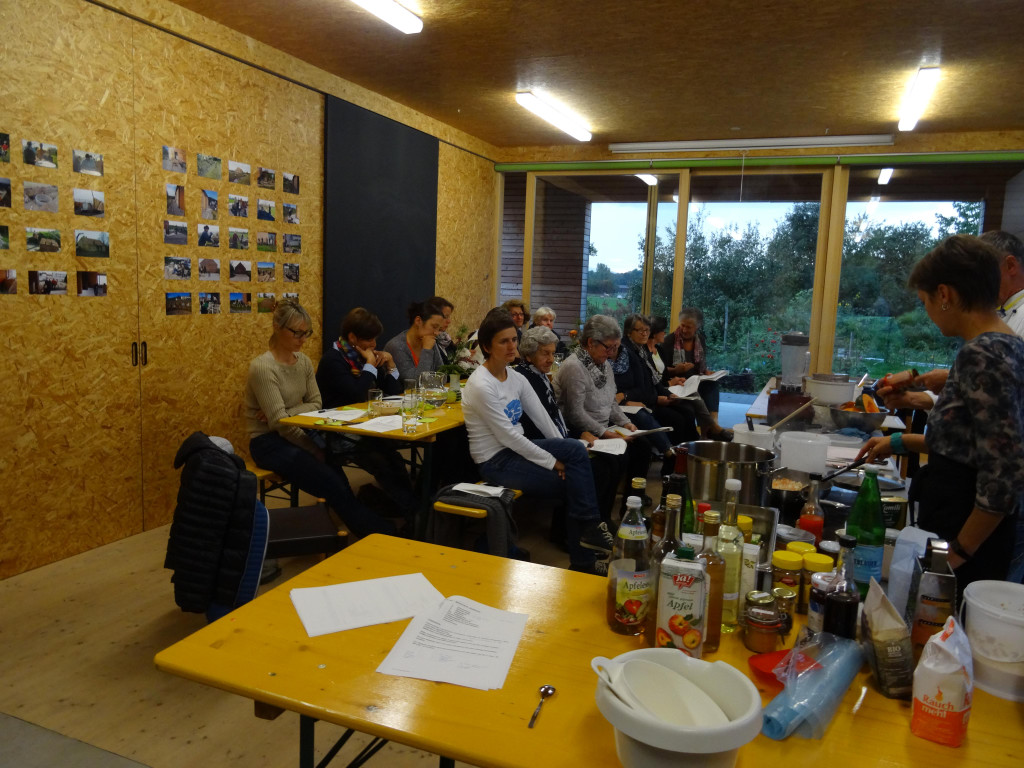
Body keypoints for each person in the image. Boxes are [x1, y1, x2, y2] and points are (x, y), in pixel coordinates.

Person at [857, 235, 1024, 595]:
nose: (929, 314)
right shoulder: (1005, 344)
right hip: (966, 528)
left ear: (944, 294)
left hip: (966, 532)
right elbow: (967, 446)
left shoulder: (982, 354)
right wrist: (898, 441)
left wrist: (958, 551)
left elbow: (1003, 471)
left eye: (925, 301)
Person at [461, 310, 613, 574]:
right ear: (486, 347)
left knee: (575, 450)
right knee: (572, 483)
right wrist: (553, 462)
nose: (512, 346)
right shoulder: (481, 385)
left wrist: (563, 453)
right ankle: (584, 559)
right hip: (495, 460)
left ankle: (589, 531)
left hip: (516, 450)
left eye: (513, 339)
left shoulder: (515, 377)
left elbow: (544, 419)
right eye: (503, 341)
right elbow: (507, 436)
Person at [245, 299, 397, 539]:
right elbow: (278, 424)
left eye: (306, 333)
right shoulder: (263, 368)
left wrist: (289, 410)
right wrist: (313, 447)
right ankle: (382, 533)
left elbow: (317, 404)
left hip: (299, 432)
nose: (303, 339)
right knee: (331, 482)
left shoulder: (303, 362)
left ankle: (369, 527)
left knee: (338, 479)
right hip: (268, 442)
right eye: (296, 333)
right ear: (277, 327)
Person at [515, 325, 623, 525]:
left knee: (612, 461)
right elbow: (534, 428)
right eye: (545, 353)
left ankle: (601, 521)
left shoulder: (539, 375)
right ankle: (574, 528)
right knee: (599, 467)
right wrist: (564, 449)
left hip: (557, 438)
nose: (551, 359)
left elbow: (554, 417)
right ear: (528, 355)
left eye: (552, 353)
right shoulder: (524, 379)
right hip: (537, 444)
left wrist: (579, 433)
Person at [314, 307, 416, 519]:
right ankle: (411, 513)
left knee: (394, 460)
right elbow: (358, 394)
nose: (374, 344)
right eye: (369, 339)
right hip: (341, 433)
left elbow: (393, 394)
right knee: (383, 462)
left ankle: (411, 509)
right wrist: (370, 365)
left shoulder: (361, 358)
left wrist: (390, 365)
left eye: (375, 339)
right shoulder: (333, 360)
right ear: (352, 337)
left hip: (368, 427)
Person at [553, 314, 650, 482]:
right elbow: (575, 413)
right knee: (616, 459)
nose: (612, 354)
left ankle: (633, 496)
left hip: (604, 427)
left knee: (643, 447)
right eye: (609, 348)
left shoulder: (604, 364)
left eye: (615, 348)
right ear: (591, 342)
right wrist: (605, 433)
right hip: (581, 431)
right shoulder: (574, 367)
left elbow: (611, 401)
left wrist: (626, 423)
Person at [618, 313, 735, 448]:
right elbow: (647, 382)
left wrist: (668, 392)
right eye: (641, 330)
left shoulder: (643, 350)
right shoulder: (635, 350)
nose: (645, 334)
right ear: (629, 332)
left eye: (647, 330)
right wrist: (666, 387)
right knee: (681, 414)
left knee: (709, 387)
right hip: (649, 396)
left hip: (668, 386)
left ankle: (701, 438)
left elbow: (654, 379)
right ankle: (685, 448)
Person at [660, 307, 723, 423]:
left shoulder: (700, 340)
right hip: (679, 383)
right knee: (694, 402)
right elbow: (660, 371)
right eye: (682, 325)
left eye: (688, 327)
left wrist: (706, 372)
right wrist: (676, 370)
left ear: (697, 327)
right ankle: (712, 426)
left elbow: (701, 366)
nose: (684, 330)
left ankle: (713, 422)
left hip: (695, 381)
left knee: (712, 384)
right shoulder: (668, 341)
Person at [383, 298, 447, 382]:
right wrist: (427, 350)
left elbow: (443, 377)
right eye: (434, 327)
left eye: (439, 329)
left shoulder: (430, 342)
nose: (437, 333)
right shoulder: (396, 346)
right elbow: (416, 382)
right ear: (418, 321)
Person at [428, 296, 456, 366]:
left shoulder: (446, 338)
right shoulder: (428, 341)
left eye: (449, 317)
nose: (449, 321)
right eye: (445, 317)